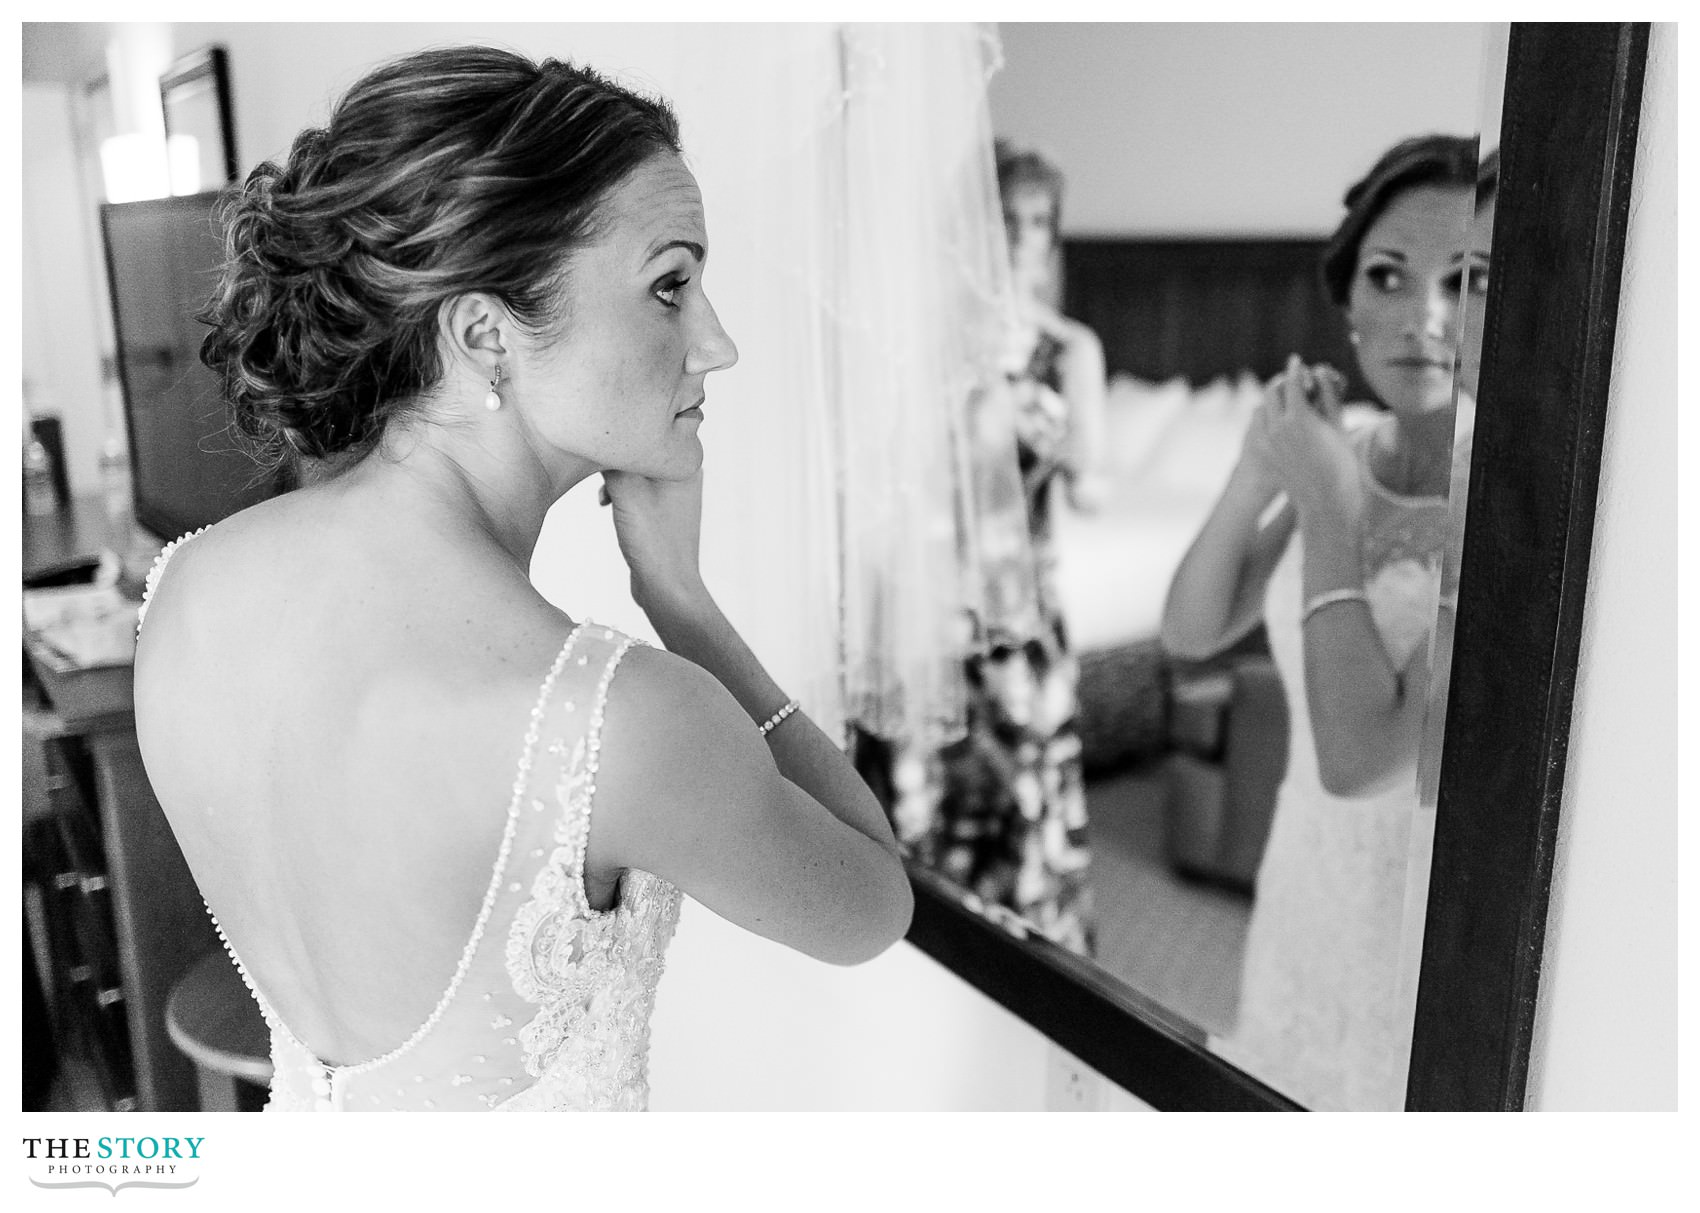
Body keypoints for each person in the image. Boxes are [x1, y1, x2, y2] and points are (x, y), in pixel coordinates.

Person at [131, 47, 912, 1113]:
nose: (716, 343)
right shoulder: (612, 720)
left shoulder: (186, 591)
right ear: (485, 333)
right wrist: (682, 602)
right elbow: (873, 903)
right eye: (669, 285)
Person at [1160, 135, 1490, 1110]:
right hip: (1300, 874)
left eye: (1463, 279)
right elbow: (1190, 629)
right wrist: (1259, 470)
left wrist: (1324, 505)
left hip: (1412, 906)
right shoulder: (1335, 449)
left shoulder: (1495, 492)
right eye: (1386, 276)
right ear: (1346, 299)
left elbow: (1361, 759)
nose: (1422, 318)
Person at [930, 144, 1106, 955]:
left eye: (1042, 221)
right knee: (941, 791)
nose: (1028, 238)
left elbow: (1093, 492)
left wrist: (1055, 439)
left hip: (1025, 606)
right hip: (941, 599)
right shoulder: (940, 345)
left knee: (1022, 791)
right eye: (1011, 219)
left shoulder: (1070, 350)